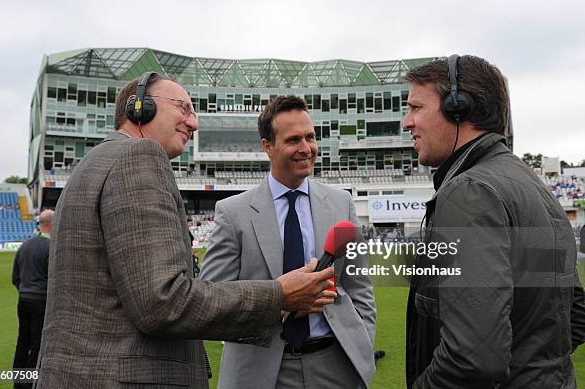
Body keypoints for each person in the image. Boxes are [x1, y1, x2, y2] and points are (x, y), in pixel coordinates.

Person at [36, 73, 336, 388]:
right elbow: (163, 302)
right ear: (140, 107)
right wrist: (279, 295)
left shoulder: (91, 164)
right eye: (183, 108)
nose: (192, 123)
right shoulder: (140, 156)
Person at [402, 55, 585, 388]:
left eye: (416, 108)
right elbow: (576, 315)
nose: (406, 122)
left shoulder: (470, 191)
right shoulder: (532, 185)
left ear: (459, 107)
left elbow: (473, 359)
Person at [200, 95, 376, 388]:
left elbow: (360, 288)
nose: (306, 149)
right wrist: (278, 300)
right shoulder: (232, 213)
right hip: (260, 371)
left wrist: (363, 342)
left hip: (335, 365)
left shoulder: (341, 203)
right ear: (267, 146)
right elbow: (213, 300)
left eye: (310, 137)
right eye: (294, 139)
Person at [12, 209, 53, 389]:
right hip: (41, 300)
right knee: (37, 343)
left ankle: (18, 381)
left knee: (22, 341)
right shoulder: (51, 247)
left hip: (24, 299)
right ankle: (29, 383)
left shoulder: (24, 245)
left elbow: (15, 277)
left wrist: (24, 290)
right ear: (52, 224)